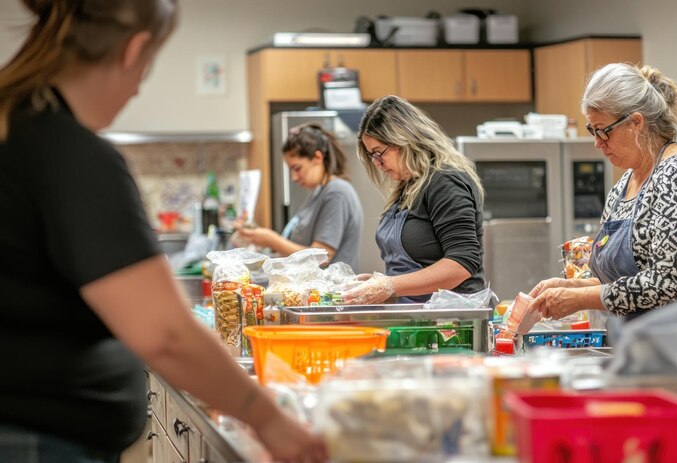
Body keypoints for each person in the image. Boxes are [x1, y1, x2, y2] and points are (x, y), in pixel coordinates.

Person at [0, 2, 327, 462]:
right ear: (134, 51)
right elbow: (163, 334)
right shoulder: (66, 153)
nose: (137, 89)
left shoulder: (18, 130)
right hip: (35, 441)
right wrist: (267, 418)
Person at [526, 63, 677, 366]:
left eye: (603, 131)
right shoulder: (624, 185)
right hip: (645, 351)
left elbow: (669, 284)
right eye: (592, 130)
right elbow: (620, 281)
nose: (597, 142)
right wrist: (568, 288)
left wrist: (579, 299)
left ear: (636, 122)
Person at [342, 95, 486, 304]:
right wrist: (379, 283)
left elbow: (461, 263)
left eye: (378, 153)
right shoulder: (408, 186)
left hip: (451, 321)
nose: (378, 164)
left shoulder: (445, 181)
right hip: (416, 316)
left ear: (404, 140)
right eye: (372, 157)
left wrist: (390, 286)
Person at [234, 123, 364, 268]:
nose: (294, 177)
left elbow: (321, 257)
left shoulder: (337, 193)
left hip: (332, 289)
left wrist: (272, 240)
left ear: (317, 157)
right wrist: (255, 234)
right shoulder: (318, 193)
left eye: (297, 168)